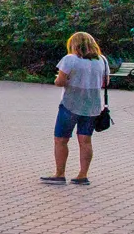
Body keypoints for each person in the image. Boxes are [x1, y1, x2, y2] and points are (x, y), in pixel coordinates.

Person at [43, 31, 109, 185]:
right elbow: (106, 82)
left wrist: (63, 80)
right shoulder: (102, 61)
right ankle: (82, 175)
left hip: (70, 104)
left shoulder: (70, 59)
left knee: (61, 139)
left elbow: (60, 81)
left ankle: (60, 174)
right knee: (85, 141)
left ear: (74, 44)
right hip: (92, 106)